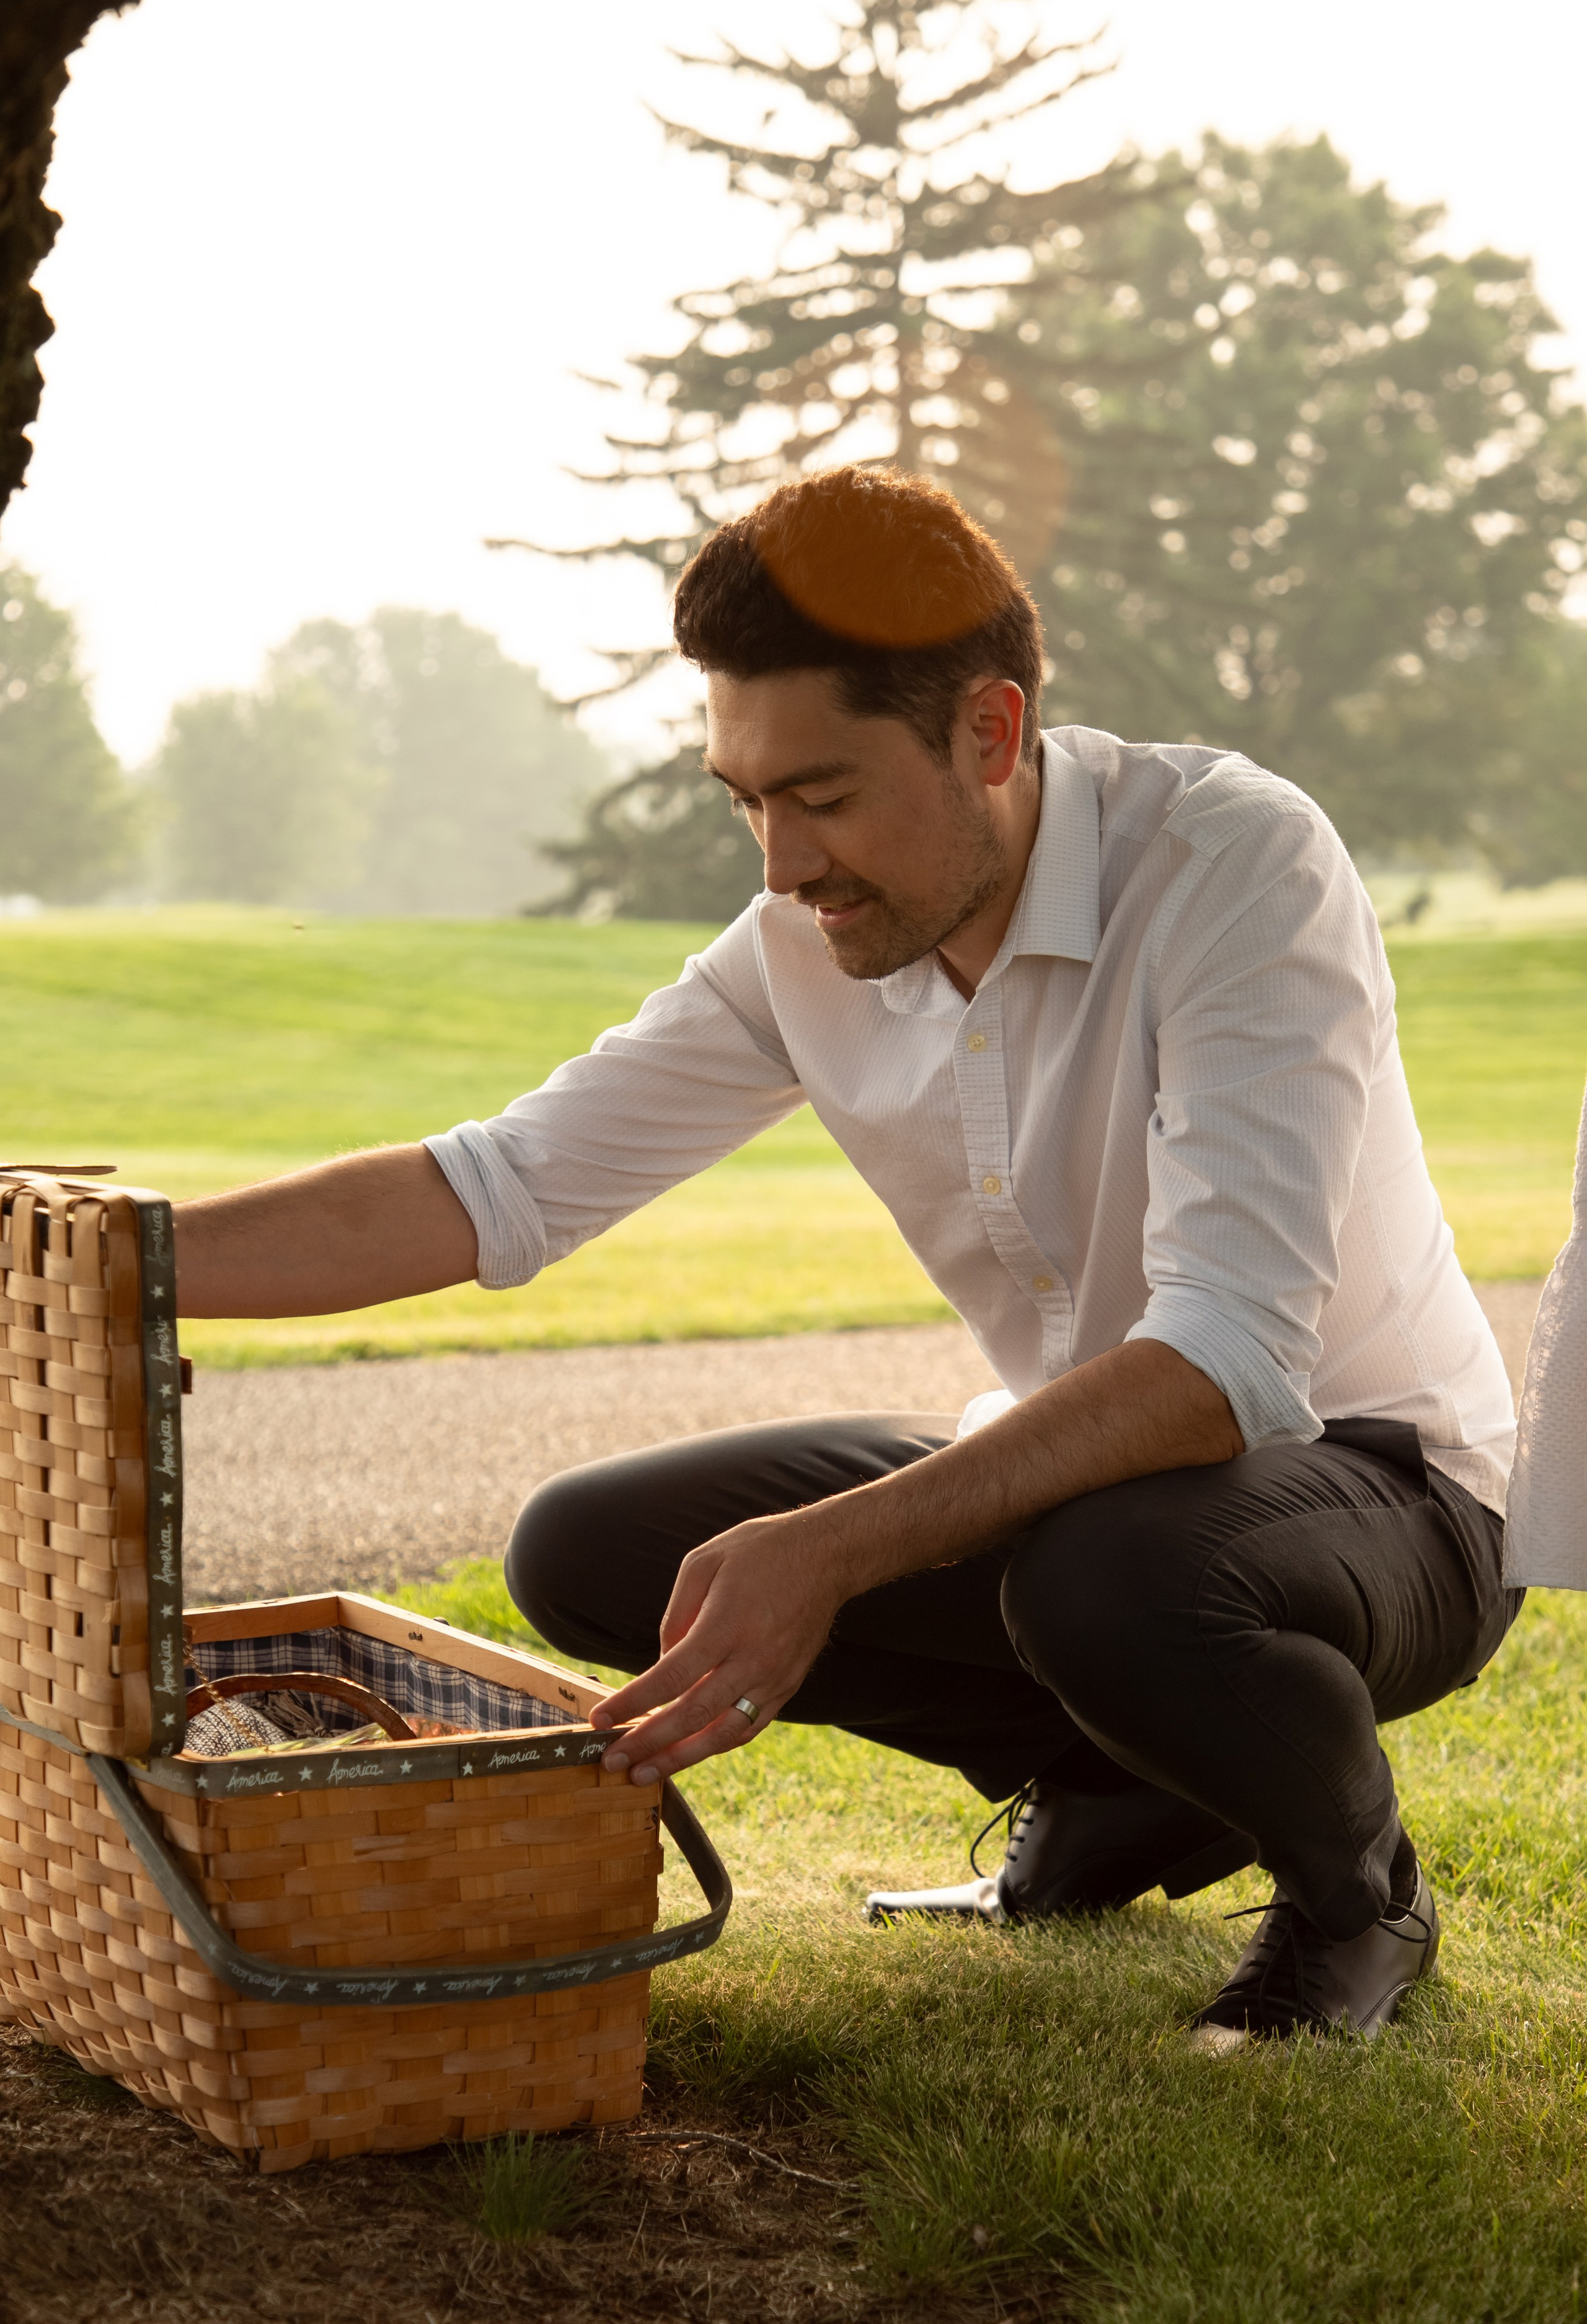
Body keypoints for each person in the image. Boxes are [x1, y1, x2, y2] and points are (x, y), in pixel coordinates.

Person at [175, 466, 1520, 2048]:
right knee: (592, 1552)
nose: (779, 863)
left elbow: (1230, 1360)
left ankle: (1356, 1899)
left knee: (1110, 1582)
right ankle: (1121, 1785)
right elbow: (495, 1187)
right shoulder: (798, 948)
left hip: (1386, 1493)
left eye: (819, 796)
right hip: (1100, 1492)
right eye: (743, 800)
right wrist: (105, 1256)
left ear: (990, 735)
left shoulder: (1231, 863)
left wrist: (828, 1548)